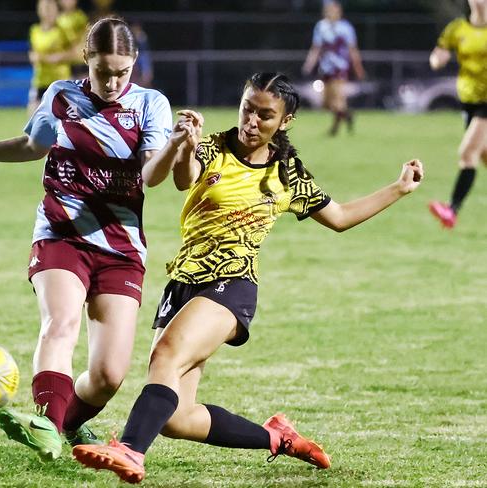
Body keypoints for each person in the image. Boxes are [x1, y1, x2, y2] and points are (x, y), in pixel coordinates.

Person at [72, 72, 424, 483]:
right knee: (178, 417)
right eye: (247, 110)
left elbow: (340, 217)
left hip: (233, 283)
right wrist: (184, 146)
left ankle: (130, 450)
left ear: (286, 121)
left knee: (165, 357)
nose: (251, 121)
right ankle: (277, 438)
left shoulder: (287, 173)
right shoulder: (214, 146)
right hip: (184, 280)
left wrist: (398, 188)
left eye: (265, 115)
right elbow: (183, 179)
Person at [0, 18, 187, 462]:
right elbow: (32, 145)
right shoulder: (62, 96)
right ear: (85, 60)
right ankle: (47, 422)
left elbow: (151, 175)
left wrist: (175, 147)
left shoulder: (152, 105)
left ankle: (66, 423)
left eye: (121, 72)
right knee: (61, 324)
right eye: (103, 71)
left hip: (121, 248)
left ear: (134, 65)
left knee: (109, 375)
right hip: (61, 232)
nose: (111, 82)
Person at [428, 0, 487, 229]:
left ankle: (451, 209)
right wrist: (437, 59)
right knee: (482, 155)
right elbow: (440, 51)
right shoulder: (458, 28)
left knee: (466, 153)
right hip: (469, 102)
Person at [302, 0, 365, 136]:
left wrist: (358, 68)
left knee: (337, 100)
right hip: (326, 69)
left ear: (339, 12)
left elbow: (353, 50)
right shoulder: (321, 27)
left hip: (340, 68)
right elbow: (316, 48)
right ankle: (348, 116)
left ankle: (334, 129)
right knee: (327, 104)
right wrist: (309, 64)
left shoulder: (346, 28)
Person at [28, 0, 76, 113]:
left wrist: (58, 57)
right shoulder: (35, 30)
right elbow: (32, 51)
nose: (48, 13)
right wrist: (33, 57)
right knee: (34, 115)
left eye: (50, 9)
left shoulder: (62, 31)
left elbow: (74, 52)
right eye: (45, 9)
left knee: (64, 117)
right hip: (41, 79)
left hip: (60, 80)